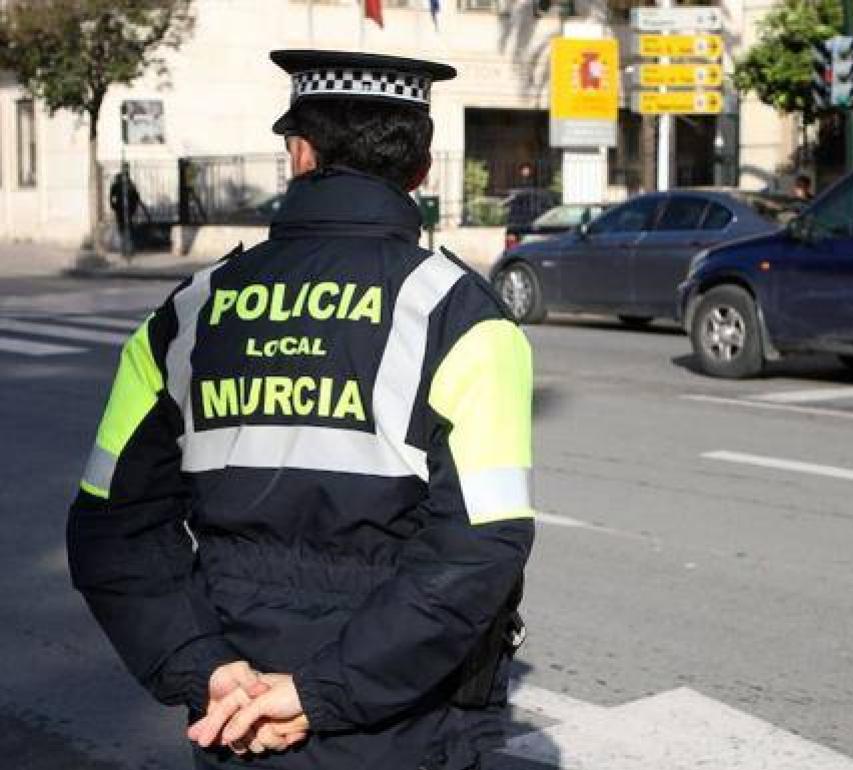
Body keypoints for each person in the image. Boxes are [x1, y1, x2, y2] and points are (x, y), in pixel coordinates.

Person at [66, 49, 535, 770]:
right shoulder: (464, 319)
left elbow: (111, 524)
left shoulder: (189, 314)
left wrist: (211, 671)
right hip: (405, 724)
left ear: (300, 153)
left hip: (233, 711)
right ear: (422, 170)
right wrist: (319, 691)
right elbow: (479, 551)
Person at [109, 163, 147, 250]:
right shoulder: (118, 181)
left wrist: (136, 205)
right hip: (120, 208)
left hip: (129, 208)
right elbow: (112, 195)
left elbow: (136, 195)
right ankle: (123, 245)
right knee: (122, 226)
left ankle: (128, 245)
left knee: (128, 226)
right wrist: (113, 205)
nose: (126, 170)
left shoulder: (129, 182)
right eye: (125, 168)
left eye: (127, 168)